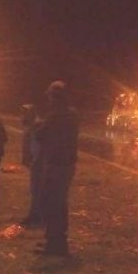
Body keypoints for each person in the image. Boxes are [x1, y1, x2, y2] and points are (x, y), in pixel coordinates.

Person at [34, 80, 79, 256]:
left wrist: (37, 124)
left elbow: (40, 136)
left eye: (51, 97)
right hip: (67, 164)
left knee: (50, 201)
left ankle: (56, 243)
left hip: (56, 164)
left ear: (55, 97)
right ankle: (54, 240)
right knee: (58, 202)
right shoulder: (72, 115)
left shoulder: (55, 116)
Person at [19, 104, 44, 226]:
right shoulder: (31, 125)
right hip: (34, 160)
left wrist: (35, 160)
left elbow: (39, 145)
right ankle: (34, 214)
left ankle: (37, 217)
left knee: (37, 189)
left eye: (25, 113)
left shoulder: (37, 126)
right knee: (35, 189)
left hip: (38, 161)